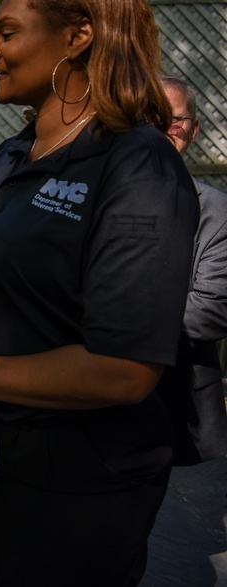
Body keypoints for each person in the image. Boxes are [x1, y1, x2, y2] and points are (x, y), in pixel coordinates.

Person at [0, 0, 199, 586]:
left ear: (79, 34)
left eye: (8, 32)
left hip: (80, 481)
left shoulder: (138, 166)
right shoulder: (13, 151)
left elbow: (124, 368)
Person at [158, 75, 227, 465]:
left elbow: (212, 307)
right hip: (96, 409)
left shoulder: (217, 210)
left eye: (176, 119)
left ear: (194, 129)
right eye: (152, 118)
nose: (165, 128)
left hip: (182, 407)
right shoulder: (98, 199)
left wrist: (112, 336)